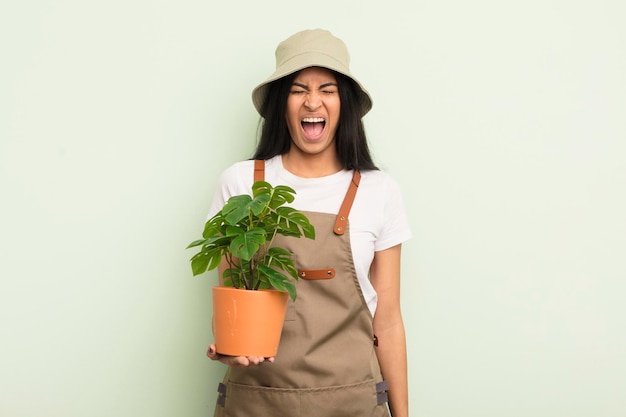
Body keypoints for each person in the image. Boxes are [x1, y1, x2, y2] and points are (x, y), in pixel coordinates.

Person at [205, 29, 412, 417]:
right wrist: (229, 345)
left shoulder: (379, 190)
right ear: (282, 103)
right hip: (257, 401)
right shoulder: (240, 182)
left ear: (343, 103)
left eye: (327, 89)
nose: (312, 101)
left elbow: (388, 320)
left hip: (352, 401)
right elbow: (233, 297)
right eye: (298, 89)